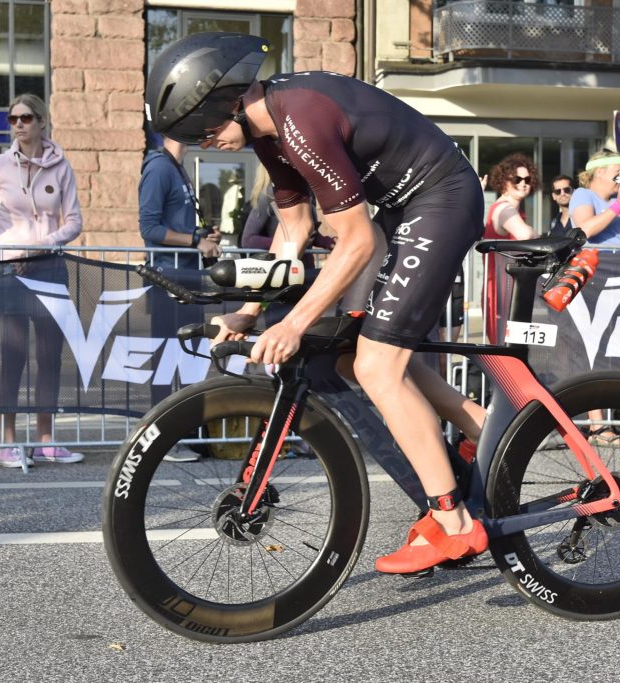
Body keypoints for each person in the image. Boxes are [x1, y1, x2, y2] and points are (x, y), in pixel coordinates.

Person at [146, 32, 488, 574]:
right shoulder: (268, 134)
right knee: (357, 354)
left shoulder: (299, 118)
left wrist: (296, 323)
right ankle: (480, 426)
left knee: (379, 363)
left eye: (207, 131)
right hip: (403, 208)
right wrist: (250, 312)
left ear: (228, 101)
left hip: (441, 197)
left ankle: (455, 522)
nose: (209, 144)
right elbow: (295, 230)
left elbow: (353, 242)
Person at [0, 93, 86, 468]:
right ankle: (7, 443)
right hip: (8, 271)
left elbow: (73, 221)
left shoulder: (61, 167)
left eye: (25, 118)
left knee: (50, 357)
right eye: (12, 119)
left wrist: (42, 245)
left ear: (41, 121)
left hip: (49, 268)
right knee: (12, 357)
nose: (18, 124)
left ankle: (46, 440)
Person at [138, 133, 222, 462]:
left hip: (186, 277)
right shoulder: (159, 168)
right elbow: (149, 228)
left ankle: (186, 435)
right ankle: (161, 442)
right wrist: (193, 242)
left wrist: (201, 236)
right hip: (167, 278)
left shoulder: (177, 167)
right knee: (166, 360)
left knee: (188, 356)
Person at [482, 153, 539, 343]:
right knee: (504, 348)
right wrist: (537, 234)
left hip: (510, 287)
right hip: (501, 289)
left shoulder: (511, 210)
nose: (523, 183)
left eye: (527, 179)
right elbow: (524, 235)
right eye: (517, 179)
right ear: (504, 180)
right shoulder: (504, 208)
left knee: (511, 347)